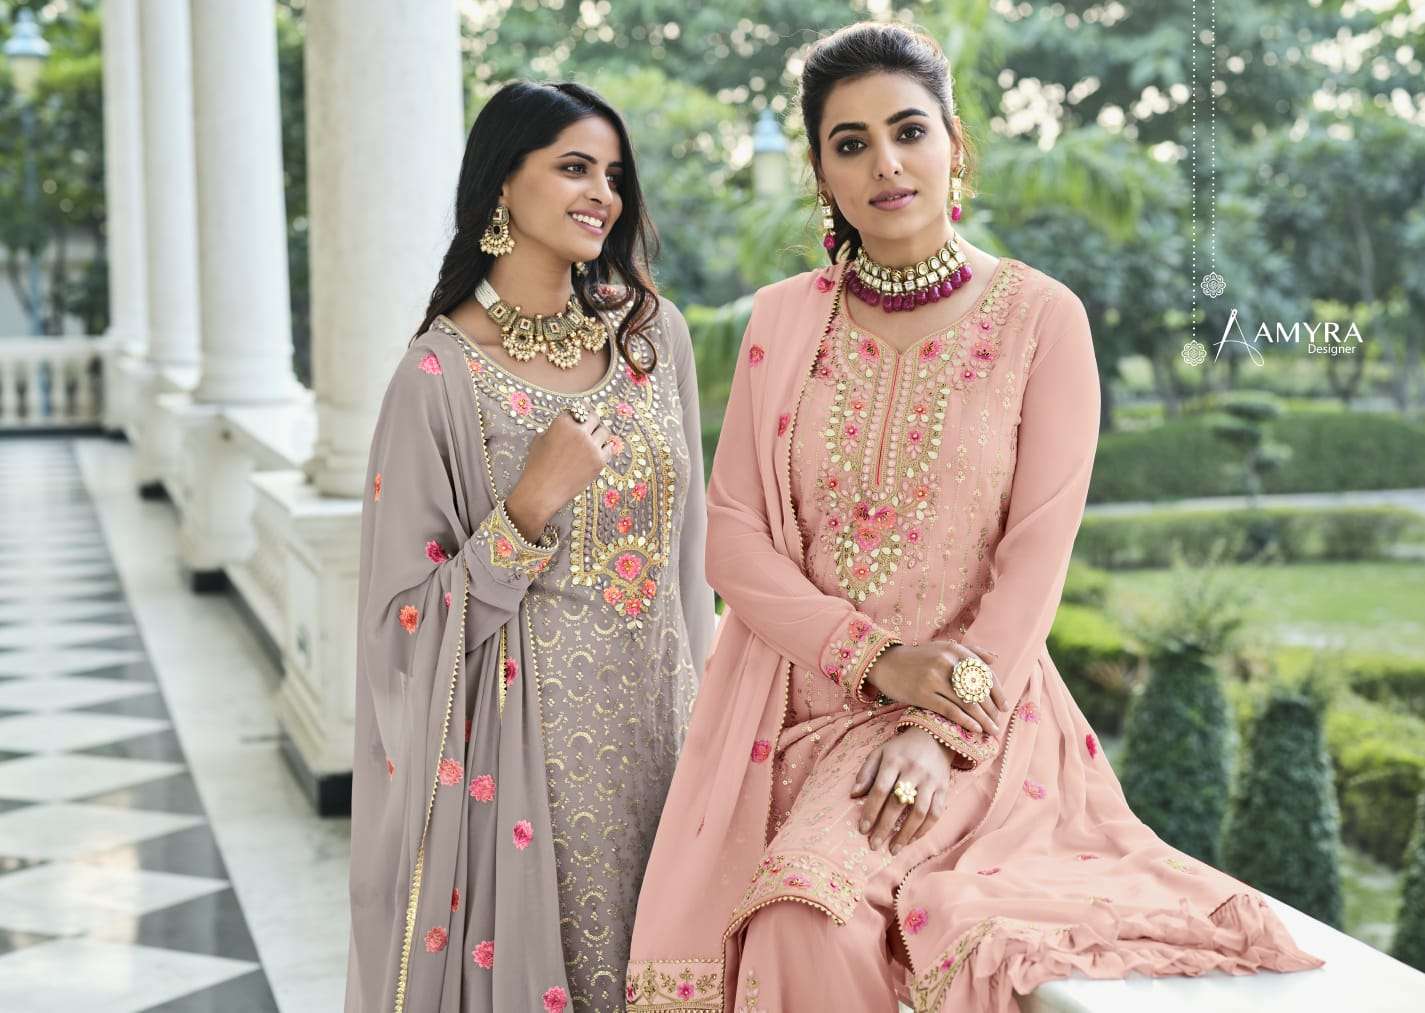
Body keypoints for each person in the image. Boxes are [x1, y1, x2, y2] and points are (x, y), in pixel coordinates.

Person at [625, 23, 1322, 1013]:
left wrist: (934, 725)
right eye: (851, 143)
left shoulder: (1042, 319)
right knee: (779, 917)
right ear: (822, 175)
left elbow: (1034, 560)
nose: (886, 162)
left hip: (972, 717)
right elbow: (732, 537)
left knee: (805, 913)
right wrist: (874, 658)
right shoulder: (780, 319)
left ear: (956, 145)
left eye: (908, 130)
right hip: (789, 713)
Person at [345, 80, 715, 1013]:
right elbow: (400, 626)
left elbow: (692, 553)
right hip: (527, 767)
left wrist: (711, 718)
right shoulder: (437, 375)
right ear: (503, 184)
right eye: (574, 168)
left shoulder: (651, 338)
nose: (603, 195)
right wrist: (526, 508)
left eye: (615, 175)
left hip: (667, 734)